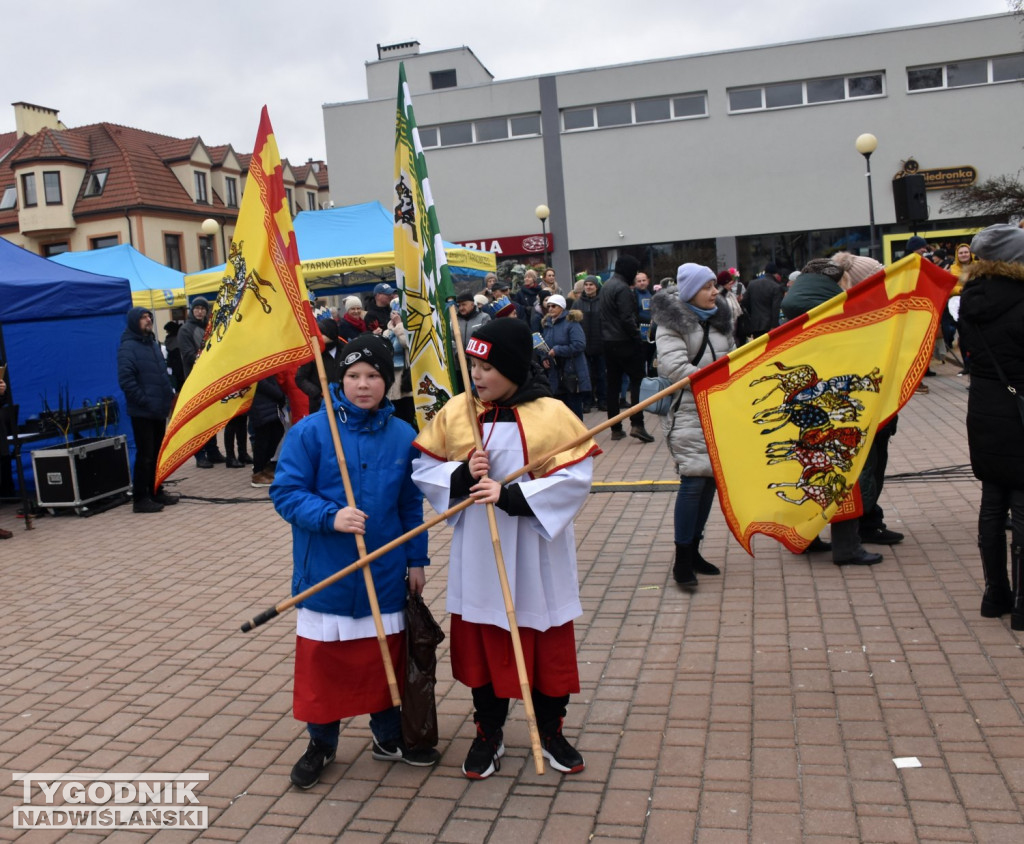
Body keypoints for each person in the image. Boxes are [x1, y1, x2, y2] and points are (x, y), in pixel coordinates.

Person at [412, 318, 599, 779]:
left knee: (545, 644)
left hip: (537, 554)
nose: (478, 375)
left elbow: (575, 480)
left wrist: (513, 496)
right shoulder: (458, 412)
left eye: (489, 366)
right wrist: (461, 475)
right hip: (481, 552)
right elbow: (423, 468)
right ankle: (488, 731)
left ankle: (551, 730)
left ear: (514, 368)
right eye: (474, 364)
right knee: (487, 646)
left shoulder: (553, 414)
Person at [270, 334, 436, 788]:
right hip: (326, 571)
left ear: (388, 381)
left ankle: (387, 735)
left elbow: (409, 505)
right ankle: (321, 743)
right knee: (324, 666)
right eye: (353, 376)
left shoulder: (405, 435)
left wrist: (416, 559)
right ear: (339, 380)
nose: (364, 385)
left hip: (383, 572)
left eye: (374, 376)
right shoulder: (309, 431)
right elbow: (284, 494)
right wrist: (330, 515)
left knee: (383, 657)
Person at [780, 258, 885, 567]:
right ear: (838, 282)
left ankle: (807, 537)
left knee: (811, 468)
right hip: (838, 406)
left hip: (805, 406)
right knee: (844, 472)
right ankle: (847, 546)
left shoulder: (790, 307)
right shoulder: (838, 309)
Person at [956, 224, 1024, 629]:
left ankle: (994, 592)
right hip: (1019, 406)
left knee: (992, 499)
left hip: (983, 406)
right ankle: (1021, 603)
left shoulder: (969, 298)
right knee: (1021, 499)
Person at [651, 265, 736, 587]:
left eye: (715, 285)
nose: (715, 292)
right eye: (708, 286)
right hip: (688, 410)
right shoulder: (672, 323)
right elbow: (674, 366)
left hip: (719, 408)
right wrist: (715, 381)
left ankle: (695, 550)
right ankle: (682, 561)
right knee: (694, 480)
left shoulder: (719, 319)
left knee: (710, 479)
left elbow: (731, 356)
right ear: (690, 292)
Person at [116, 306, 178, 513]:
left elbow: (162, 374)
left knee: (157, 453)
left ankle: (156, 490)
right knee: (146, 455)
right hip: (143, 411)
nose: (148, 320)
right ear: (135, 322)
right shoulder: (128, 347)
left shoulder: (152, 343)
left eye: (148, 316)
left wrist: (168, 396)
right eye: (143, 317)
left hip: (158, 410)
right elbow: (126, 380)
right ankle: (141, 498)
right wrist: (146, 401)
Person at [599, 255, 654, 443]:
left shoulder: (606, 286)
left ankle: (615, 428)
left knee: (613, 385)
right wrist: (637, 337)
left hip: (608, 341)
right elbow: (627, 318)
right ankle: (637, 424)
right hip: (625, 341)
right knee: (637, 381)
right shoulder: (623, 289)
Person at [178, 297, 225, 468]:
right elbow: (189, 354)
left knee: (211, 418)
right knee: (198, 420)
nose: (200, 311)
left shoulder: (210, 327)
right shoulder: (185, 330)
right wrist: (209, 358)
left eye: (203, 308)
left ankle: (213, 451)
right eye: (197, 308)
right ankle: (200, 455)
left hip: (211, 379)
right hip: (195, 380)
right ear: (192, 310)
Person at [541, 294, 590, 420]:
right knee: (560, 408)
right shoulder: (547, 324)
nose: (550, 309)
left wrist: (558, 350)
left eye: (554, 306)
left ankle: (580, 436)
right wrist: (544, 358)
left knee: (574, 408)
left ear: (562, 307)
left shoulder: (571, 323)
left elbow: (579, 344)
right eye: (549, 306)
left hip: (571, 371)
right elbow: (545, 346)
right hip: (555, 372)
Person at [571, 275, 605, 413]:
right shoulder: (578, 303)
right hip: (584, 346)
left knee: (602, 375)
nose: (588, 287)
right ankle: (587, 401)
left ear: (596, 286)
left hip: (601, 345)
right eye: (586, 284)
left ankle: (602, 400)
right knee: (586, 375)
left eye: (591, 284)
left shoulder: (603, 301)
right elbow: (572, 323)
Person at [296, 318, 343, 415]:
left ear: (331, 333)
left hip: (344, 402)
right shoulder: (313, 353)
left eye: (322, 333)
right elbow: (300, 378)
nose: (318, 336)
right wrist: (318, 394)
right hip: (320, 406)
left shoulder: (345, 349)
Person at [249, 376, 287, 488]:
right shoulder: (255, 365)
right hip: (260, 404)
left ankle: (264, 466)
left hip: (270, 404)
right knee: (262, 439)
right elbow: (260, 382)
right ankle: (258, 472)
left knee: (276, 432)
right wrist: (279, 394)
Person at [742, 263, 786, 341]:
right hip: (769, 326)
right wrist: (774, 326)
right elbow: (775, 308)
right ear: (775, 274)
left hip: (755, 325)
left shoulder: (752, 284)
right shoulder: (776, 287)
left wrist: (753, 313)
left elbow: (744, 301)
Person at [634, 271, 655, 376]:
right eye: (639, 281)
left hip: (652, 334)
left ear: (648, 281)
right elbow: (633, 314)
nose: (642, 283)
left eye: (643, 280)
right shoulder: (633, 295)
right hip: (639, 334)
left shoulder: (652, 293)